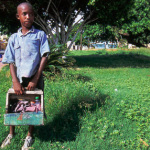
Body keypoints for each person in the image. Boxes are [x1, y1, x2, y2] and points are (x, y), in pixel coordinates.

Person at [1, 2, 50, 150]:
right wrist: (15, 81)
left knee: (32, 108)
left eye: (31, 14)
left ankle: (29, 136)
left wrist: (35, 78)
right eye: (24, 14)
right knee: (13, 106)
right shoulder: (13, 38)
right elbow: (10, 60)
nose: (28, 16)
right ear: (18, 16)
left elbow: (45, 56)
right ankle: (11, 134)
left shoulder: (40, 35)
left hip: (34, 79)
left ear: (34, 16)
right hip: (18, 79)